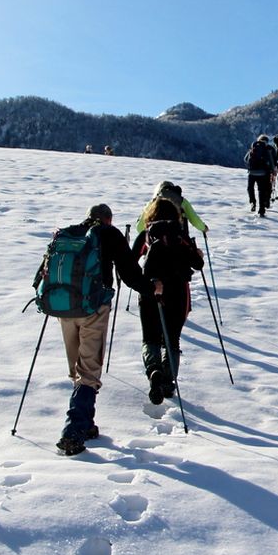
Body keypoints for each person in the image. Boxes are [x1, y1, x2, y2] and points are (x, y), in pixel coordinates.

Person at [57, 203, 160, 456]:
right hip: (93, 308)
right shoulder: (109, 234)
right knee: (89, 370)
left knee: (77, 368)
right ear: (109, 220)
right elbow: (129, 273)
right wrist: (152, 288)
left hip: (64, 308)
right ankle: (73, 433)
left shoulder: (68, 234)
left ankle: (87, 423)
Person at [130, 198, 204, 404]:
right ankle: (168, 383)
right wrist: (198, 254)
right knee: (172, 340)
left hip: (151, 292)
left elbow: (130, 262)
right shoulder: (181, 236)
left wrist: (144, 282)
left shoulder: (146, 235)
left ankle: (154, 372)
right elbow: (197, 264)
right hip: (178, 293)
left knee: (150, 338)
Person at [134, 180, 209, 237]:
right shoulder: (182, 201)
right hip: (179, 241)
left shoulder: (152, 203)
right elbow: (195, 221)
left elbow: (139, 228)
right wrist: (203, 228)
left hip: (156, 241)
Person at [244, 134, 276, 216]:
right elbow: (273, 161)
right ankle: (262, 209)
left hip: (252, 172)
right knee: (261, 190)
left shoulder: (253, 146)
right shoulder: (268, 149)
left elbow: (246, 159)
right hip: (263, 173)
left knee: (250, 188)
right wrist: (273, 170)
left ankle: (252, 202)